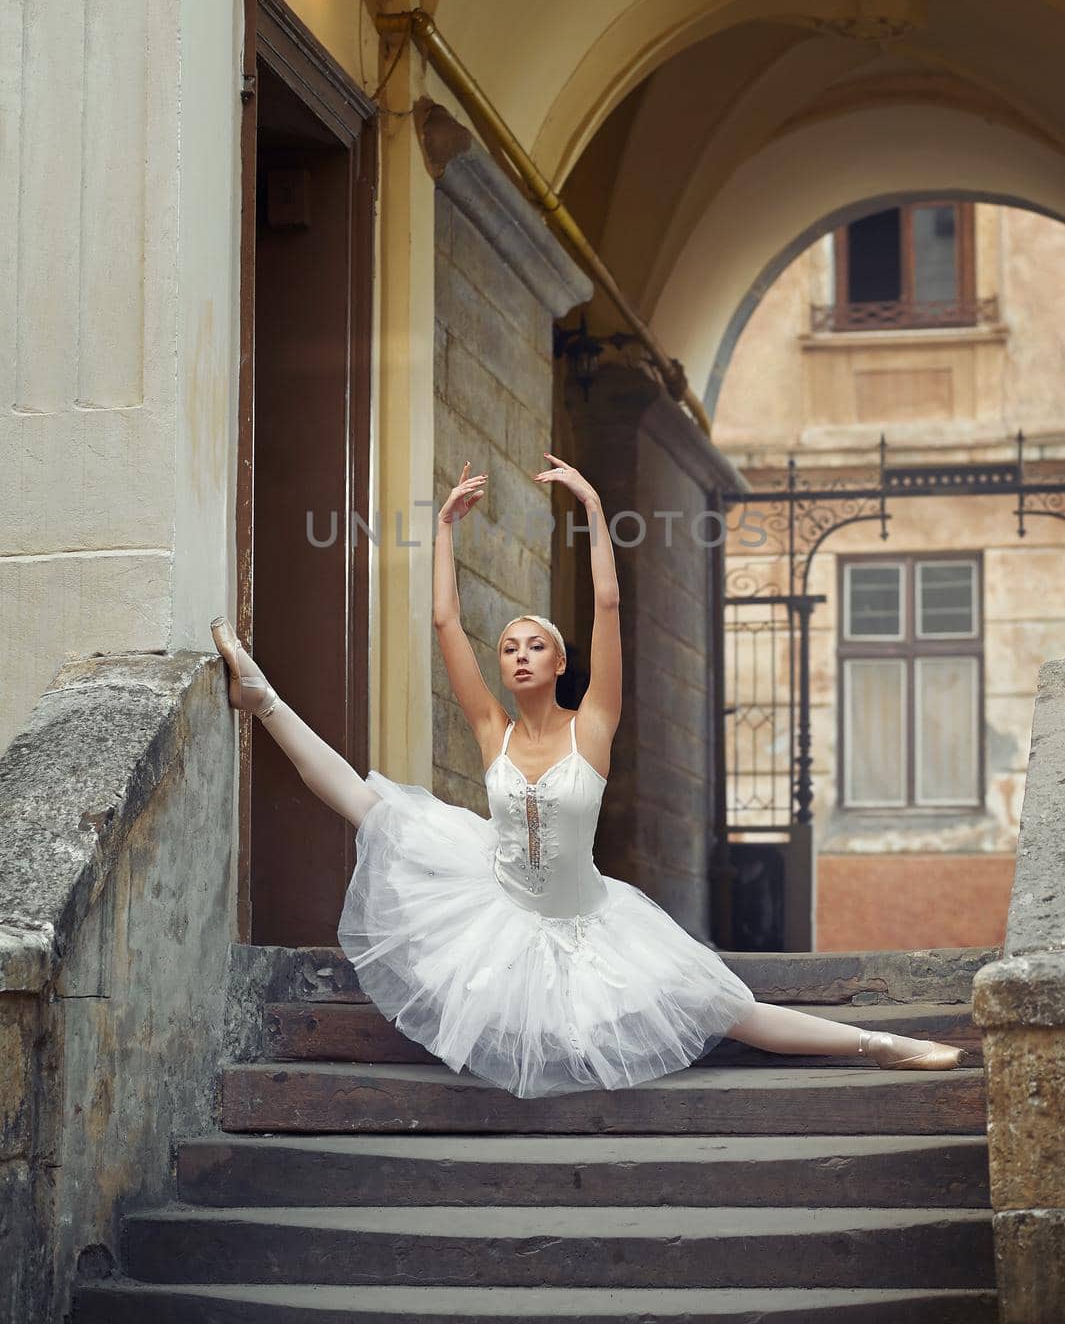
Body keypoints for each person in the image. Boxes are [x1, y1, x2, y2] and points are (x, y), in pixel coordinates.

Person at [210, 452, 964, 1098]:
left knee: (723, 1006)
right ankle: (264, 697)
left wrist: (594, 507)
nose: (519, 655)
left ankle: (876, 1045)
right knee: (370, 805)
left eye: (535, 644)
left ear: (561, 662)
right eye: (509, 647)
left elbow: (606, 601)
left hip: (591, 918)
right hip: (496, 906)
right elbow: (445, 624)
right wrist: (442, 530)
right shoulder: (491, 730)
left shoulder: (593, 727)